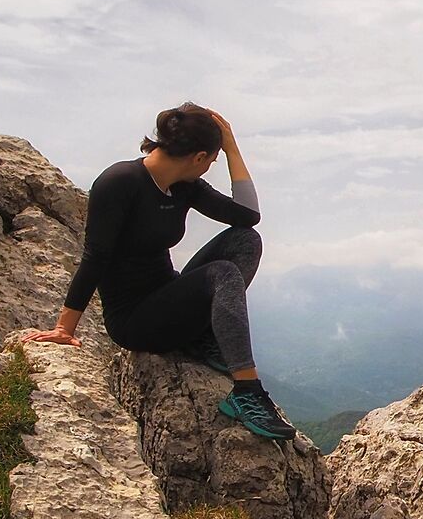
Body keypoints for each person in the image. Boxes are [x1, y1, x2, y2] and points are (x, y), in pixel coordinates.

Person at [26, 102, 297, 441]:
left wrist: (231, 147)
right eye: (212, 160)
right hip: (135, 321)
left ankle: (202, 340)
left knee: (246, 240)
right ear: (197, 157)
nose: (211, 167)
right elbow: (95, 258)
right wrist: (64, 328)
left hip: (167, 299)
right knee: (224, 273)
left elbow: (247, 216)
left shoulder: (184, 186)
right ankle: (246, 391)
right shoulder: (119, 182)